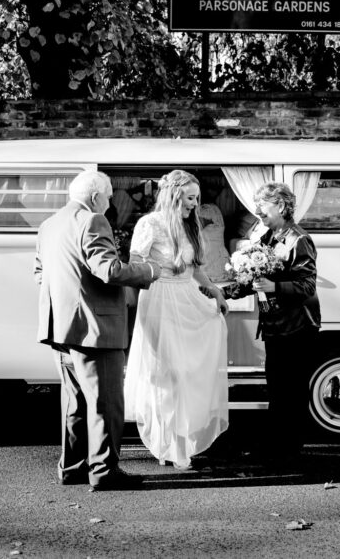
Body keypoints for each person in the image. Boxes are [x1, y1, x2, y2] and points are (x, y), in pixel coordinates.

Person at [34, 170, 159, 492]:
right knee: (106, 405)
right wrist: (149, 271)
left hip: (61, 328)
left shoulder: (50, 224)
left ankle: (72, 468)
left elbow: (40, 273)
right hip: (95, 328)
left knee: (74, 404)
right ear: (96, 197)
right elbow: (109, 270)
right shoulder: (92, 221)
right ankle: (104, 471)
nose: (109, 203)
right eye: (107, 197)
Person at [124, 170, 230, 470]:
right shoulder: (150, 224)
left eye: (197, 199)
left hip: (188, 300)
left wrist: (214, 292)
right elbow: (135, 263)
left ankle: (180, 441)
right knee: (170, 374)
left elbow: (196, 269)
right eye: (191, 198)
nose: (195, 205)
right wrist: (164, 267)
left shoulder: (190, 224)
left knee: (188, 373)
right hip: (159, 300)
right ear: (174, 196)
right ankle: (169, 444)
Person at [228, 181, 320, 461]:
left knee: (291, 389)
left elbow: (308, 286)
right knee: (277, 387)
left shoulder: (298, 239)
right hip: (275, 324)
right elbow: (253, 279)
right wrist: (223, 292)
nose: (257, 211)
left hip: (297, 325)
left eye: (262, 206)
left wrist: (274, 288)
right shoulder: (268, 237)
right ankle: (276, 444)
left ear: (280, 206)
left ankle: (289, 448)